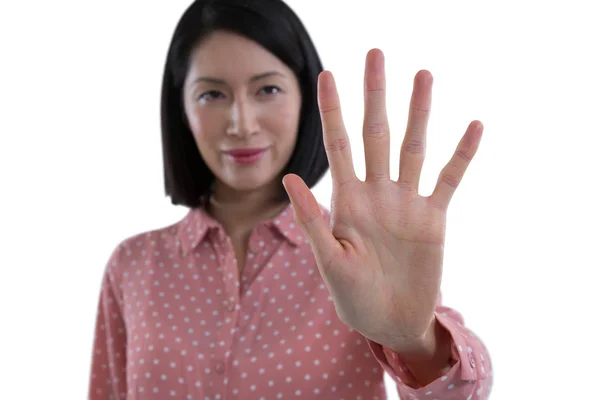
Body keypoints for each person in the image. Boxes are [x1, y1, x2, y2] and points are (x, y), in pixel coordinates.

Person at [88, 0, 494, 398]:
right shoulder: (132, 266)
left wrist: (415, 339)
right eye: (212, 95)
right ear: (181, 109)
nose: (241, 124)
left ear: (303, 98)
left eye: (267, 89)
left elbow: (461, 394)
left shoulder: (360, 254)